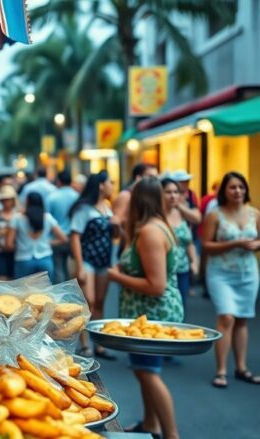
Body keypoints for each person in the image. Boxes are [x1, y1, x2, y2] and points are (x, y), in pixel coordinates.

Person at [108, 177, 184, 439]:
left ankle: (171, 434)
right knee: (144, 372)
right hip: (145, 315)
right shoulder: (149, 227)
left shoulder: (151, 232)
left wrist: (117, 277)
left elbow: (156, 285)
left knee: (148, 373)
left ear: (139, 200)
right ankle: (151, 424)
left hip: (152, 316)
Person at [202, 172, 260, 388]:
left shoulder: (254, 213)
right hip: (221, 273)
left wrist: (256, 245)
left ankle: (242, 367)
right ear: (224, 191)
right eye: (233, 187)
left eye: (241, 187)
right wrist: (234, 244)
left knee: (243, 319)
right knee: (227, 317)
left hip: (248, 273)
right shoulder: (215, 215)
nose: (238, 191)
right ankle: (221, 370)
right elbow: (206, 245)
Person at [70, 170, 117, 359]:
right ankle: (84, 344)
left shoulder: (107, 207)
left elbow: (114, 237)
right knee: (86, 302)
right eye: (110, 182)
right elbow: (75, 237)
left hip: (104, 262)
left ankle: (99, 344)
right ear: (101, 186)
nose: (113, 186)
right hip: (87, 260)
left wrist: (118, 226)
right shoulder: (84, 209)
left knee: (99, 302)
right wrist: (80, 266)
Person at [7, 192, 67, 280]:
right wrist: (48, 243)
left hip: (23, 259)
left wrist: (20, 246)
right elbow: (63, 238)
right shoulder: (47, 217)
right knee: (45, 292)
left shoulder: (17, 218)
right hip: (45, 259)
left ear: (27, 202)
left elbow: (9, 243)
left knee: (23, 292)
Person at [161, 178, 198, 316]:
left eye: (176, 192)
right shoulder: (156, 215)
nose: (173, 196)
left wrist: (194, 261)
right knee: (165, 308)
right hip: (163, 269)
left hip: (182, 268)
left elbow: (188, 242)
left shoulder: (182, 213)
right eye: (168, 192)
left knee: (180, 307)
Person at [47, 170, 81, 283]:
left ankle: (61, 295)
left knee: (58, 267)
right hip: (73, 238)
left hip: (56, 239)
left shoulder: (52, 197)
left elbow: (46, 218)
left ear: (59, 181)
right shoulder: (77, 197)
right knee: (74, 268)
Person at [112, 163, 158, 229]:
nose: (154, 181)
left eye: (156, 178)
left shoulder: (148, 196)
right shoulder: (126, 196)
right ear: (138, 178)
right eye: (150, 177)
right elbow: (116, 222)